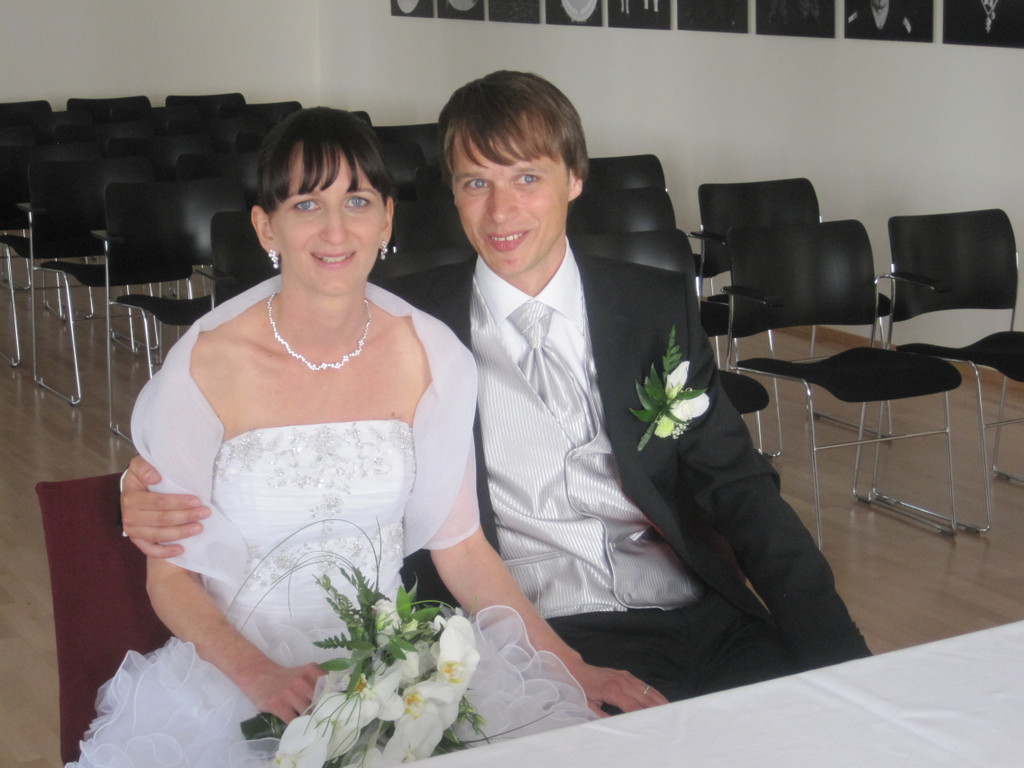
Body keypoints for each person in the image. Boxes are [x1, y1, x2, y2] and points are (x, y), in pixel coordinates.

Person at [122, 72, 871, 710]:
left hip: (694, 610)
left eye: (527, 179)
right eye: (476, 183)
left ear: (575, 179)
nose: (502, 212)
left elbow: (739, 489)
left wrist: (844, 656)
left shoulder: (653, 307)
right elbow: (302, 420)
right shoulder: (416, 330)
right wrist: (141, 487)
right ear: (450, 195)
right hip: (528, 630)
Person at [72, 106, 669, 768]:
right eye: (306, 204)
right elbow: (170, 578)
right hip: (240, 673)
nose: (336, 230)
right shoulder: (207, 363)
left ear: (386, 219)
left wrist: (568, 665)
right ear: (266, 226)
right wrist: (262, 679)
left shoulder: (430, 355)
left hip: (393, 668)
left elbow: (463, 551)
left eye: (357, 201)